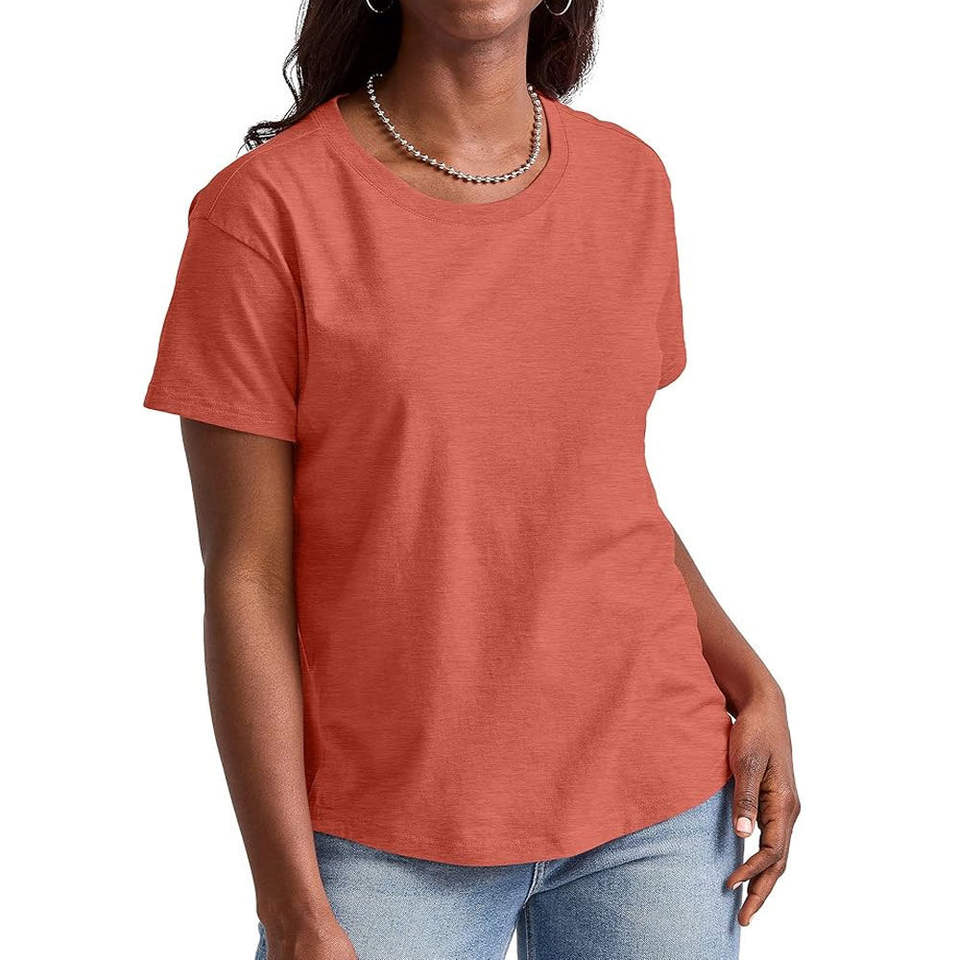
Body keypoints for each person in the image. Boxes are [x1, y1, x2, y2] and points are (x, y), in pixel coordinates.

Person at [145, 1, 800, 957]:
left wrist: (751, 678)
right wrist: (289, 901)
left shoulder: (629, 179)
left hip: (656, 806)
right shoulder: (264, 212)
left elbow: (600, 496)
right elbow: (246, 577)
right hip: (387, 832)